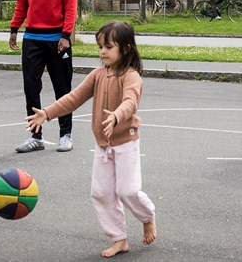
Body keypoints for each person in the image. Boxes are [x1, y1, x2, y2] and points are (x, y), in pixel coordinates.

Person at [26, 21, 156, 258]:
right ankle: (119, 239)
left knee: (128, 191)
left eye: (108, 46)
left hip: (125, 141)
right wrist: (47, 113)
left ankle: (147, 217)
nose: (102, 51)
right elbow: (73, 98)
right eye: (100, 46)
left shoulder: (131, 76)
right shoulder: (97, 75)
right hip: (103, 145)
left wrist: (116, 116)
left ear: (125, 48)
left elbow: (130, 102)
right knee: (100, 193)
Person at [10, 0, 78, 153]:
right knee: (31, 88)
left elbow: (71, 4)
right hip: (32, 38)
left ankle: (65, 134)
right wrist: (14, 28)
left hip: (57, 39)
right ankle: (35, 137)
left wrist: (66, 35)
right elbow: (22, 2)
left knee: (63, 88)